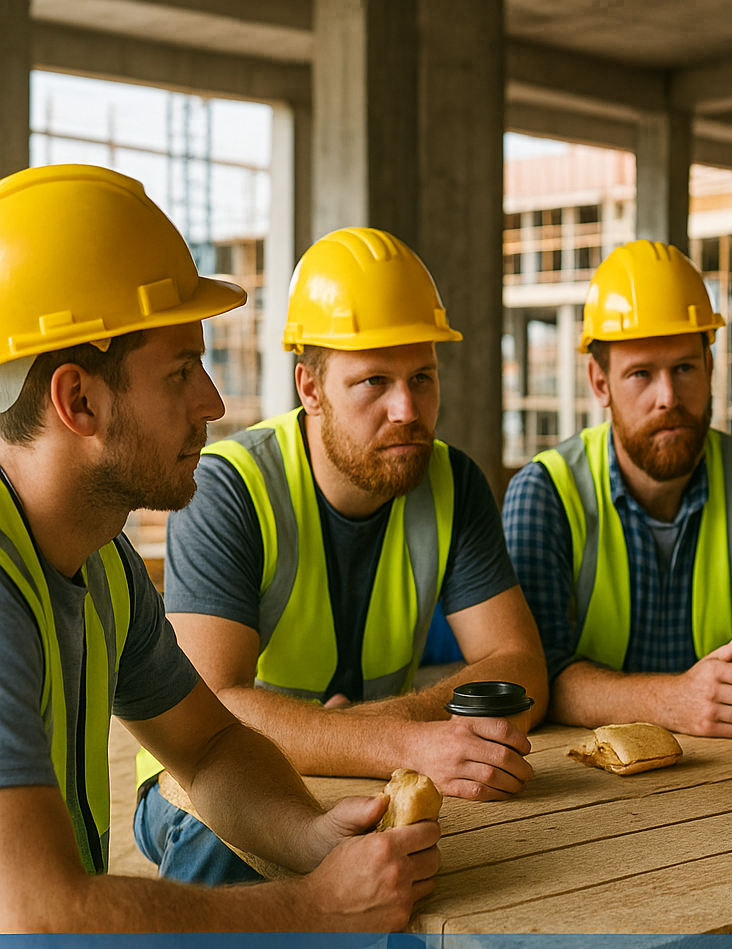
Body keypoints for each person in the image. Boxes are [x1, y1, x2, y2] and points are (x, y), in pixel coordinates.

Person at [0, 164, 437, 949]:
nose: (213, 400)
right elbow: (40, 940)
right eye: (180, 372)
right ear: (78, 401)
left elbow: (208, 744)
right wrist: (312, 909)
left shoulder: (101, 563)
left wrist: (310, 841)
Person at [135, 226, 546, 888]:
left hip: (373, 766)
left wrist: (360, 733)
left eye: (423, 378)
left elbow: (521, 667)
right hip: (201, 779)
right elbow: (213, 709)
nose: (407, 409)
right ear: (310, 387)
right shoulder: (228, 487)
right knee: (233, 849)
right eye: (374, 382)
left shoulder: (452, 481)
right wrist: (406, 738)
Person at [502, 240, 732, 737]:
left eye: (685, 368)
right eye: (641, 375)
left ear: (711, 367)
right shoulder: (544, 494)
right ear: (599, 382)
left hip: (728, 776)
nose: (668, 397)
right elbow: (530, 680)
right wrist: (672, 701)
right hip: (576, 781)